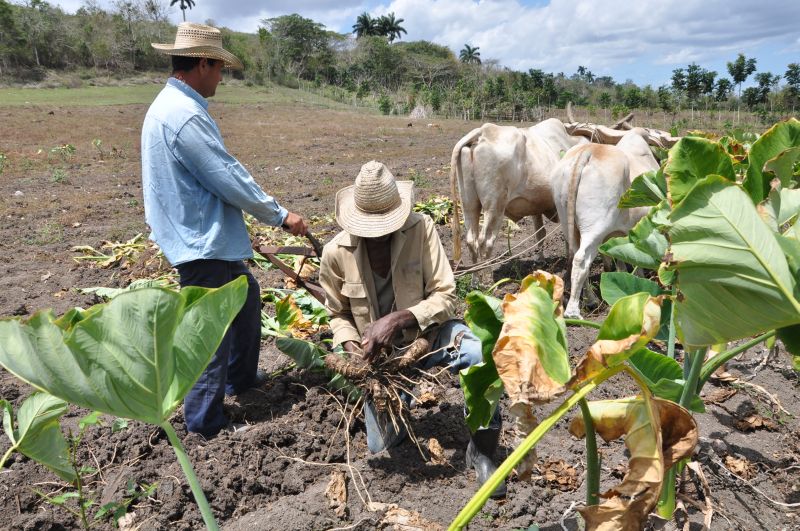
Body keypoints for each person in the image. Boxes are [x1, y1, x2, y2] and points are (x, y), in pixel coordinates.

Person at [141, 22, 307, 438]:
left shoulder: (174, 107)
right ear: (201, 63)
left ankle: (242, 381)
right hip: (200, 242)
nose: (220, 78)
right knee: (208, 334)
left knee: (247, 299)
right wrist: (280, 215)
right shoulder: (182, 115)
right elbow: (226, 175)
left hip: (206, 237)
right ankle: (204, 424)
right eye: (219, 69)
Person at [319, 161, 506, 498]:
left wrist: (402, 318)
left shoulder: (421, 229)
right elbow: (337, 314)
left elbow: (446, 295)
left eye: (385, 228)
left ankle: (482, 452)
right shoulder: (335, 253)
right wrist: (352, 348)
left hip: (430, 337)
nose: (378, 236)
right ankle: (399, 408)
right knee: (380, 445)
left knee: (480, 354)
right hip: (384, 364)